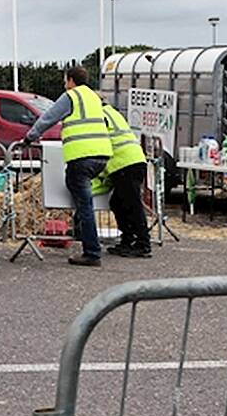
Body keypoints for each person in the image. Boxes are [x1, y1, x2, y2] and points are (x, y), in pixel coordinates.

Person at [23, 66, 112, 267]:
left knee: (84, 202)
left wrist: (30, 137)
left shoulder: (71, 96)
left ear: (70, 80)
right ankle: (81, 230)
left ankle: (91, 251)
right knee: (78, 190)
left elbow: (48, 118)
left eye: (65, 80)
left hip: (82, 156)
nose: (65, 84)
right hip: (102, 155)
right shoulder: (93, 97)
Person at [101, 102, 152, 258]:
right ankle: (128, 238)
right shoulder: (112, 112)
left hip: (124, 164)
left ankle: (143, 243)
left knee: (132, 204)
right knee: (117, 202)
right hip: (134, 160)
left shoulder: (99, 116)